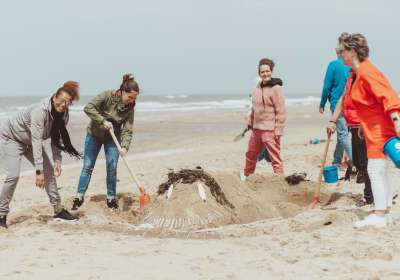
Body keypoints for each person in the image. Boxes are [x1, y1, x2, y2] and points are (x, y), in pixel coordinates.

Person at [327, 33, 400, 228]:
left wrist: (396, 120)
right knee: (380, 170)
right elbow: (360, 102)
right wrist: (361, 126)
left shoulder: (367, 71)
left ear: (352, 51)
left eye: (341, 51)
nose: (339, 54)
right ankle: (385, 213)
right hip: (370, 128)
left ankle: (379, 214)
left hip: (381, 128)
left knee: (375, 170)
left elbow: (389, 96)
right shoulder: (355, 73)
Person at [0, 81, 81, 228]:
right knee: (13, 175)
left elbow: (57, 139)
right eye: (61, 101)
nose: (63, 105)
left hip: (30, 142)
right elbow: (37, 140)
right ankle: (1, 214)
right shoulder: (40, 111)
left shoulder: (63, 115)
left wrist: (57, 161)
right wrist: (38, 171)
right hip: (12, 138)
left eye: (67, 103)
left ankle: (58, 210)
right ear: (54, 97)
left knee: (49, 171)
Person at [72, 74, 139, 210]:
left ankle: (111, 199)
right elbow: (88, 108)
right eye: (130, 97)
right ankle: (79, 197)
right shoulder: (107, 96)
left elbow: (127, 129)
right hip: (94, 135)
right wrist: (102, 121)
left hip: (112, 138)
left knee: (112, 168)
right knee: (88, 166)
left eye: (134, 98)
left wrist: (125, 147)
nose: (131, 100)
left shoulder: (130, 108)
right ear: (122, 92)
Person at [328, 69, 374, 207]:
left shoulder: (364, 75)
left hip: (363, 127)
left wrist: (364, 122)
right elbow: (343, 99)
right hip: (354, 126)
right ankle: (372, 195)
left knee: (366, 163)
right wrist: (333, 121)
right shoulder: (351, 76)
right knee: (359, 163)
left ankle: (370, 197)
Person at [241, 58, 285, 181]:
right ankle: (247, 177)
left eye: (267, 71)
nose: (265, 74)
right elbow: (254, 108)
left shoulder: (276, 88)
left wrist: (279, 129)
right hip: (256, 130)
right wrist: (250, 122)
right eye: (262, 72)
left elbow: (280, 110)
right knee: (250, 154)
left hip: (270, 130)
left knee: (274, 157)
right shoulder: (256, 89)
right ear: (259, 73)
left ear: (271, 71)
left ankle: (280, 181)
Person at [320, 33, 352, 166]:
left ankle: (354, 160)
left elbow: (326, 87)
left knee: (343, 134)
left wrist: (322, 103)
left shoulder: (333, 64)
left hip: (337, 104)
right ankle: (336, 161)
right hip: (352, 104)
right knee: (342, 133)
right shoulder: (352, 64)